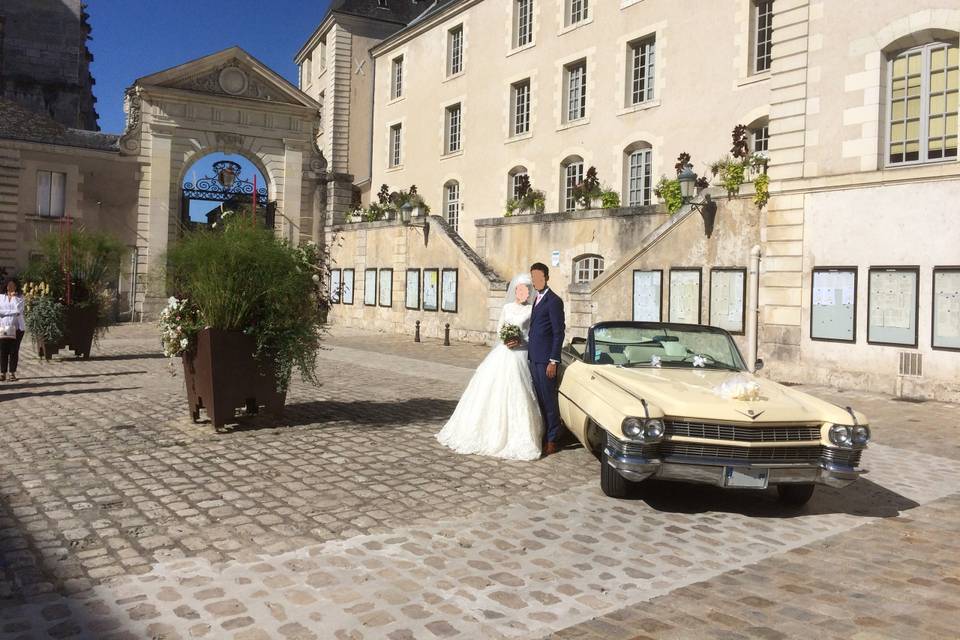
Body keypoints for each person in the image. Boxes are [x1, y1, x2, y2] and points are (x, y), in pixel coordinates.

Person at [436, 273, 543, 460]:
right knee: (490, 389)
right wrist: (507, 338)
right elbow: (500, 328)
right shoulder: (507, 307)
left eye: (527, 289)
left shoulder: (531, 311)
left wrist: (520, 340)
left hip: (521, 353)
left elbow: (533, 334)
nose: (523, 292)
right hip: (503, 353)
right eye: (520, 289)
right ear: (515, 291)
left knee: (520, 391)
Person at [527, 262, 566, 456]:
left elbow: (558, 332)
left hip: (546, 360)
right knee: (539, 399)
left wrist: (553, 361)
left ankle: (553, 438)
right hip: (534, 358)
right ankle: (545, 433)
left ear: (547, 278)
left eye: (539, 277)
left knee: (549, 400)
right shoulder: (536, 299)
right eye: (533, 278)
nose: (536, 281)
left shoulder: (554, 301)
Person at [0, 278, 25, 381]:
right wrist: (11, 312)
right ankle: (2, 372)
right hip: (3, 327)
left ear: (16, 287)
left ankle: (12, 373)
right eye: (9, 285)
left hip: (17, 328)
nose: (10, 287)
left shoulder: (20, 298)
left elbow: (18, 310)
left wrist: (14, 299)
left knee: (14, 351)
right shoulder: (1, 297)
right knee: (3, 351)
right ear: (6, 286)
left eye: (13, 285)